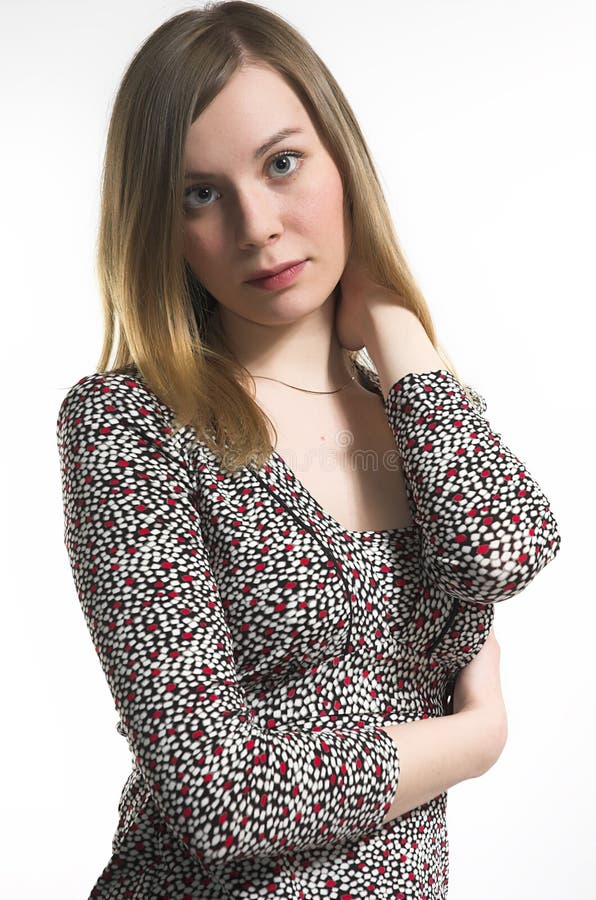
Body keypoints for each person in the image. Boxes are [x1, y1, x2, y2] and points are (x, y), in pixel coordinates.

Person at [55, 2, 562, 897]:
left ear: (342, 162)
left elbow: (505, 553)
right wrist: (472, 741)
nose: (258, 226)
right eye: (199, 194)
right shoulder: (130, 424)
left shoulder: (426, 414)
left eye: (282, 163)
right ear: (161, 226)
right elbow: (220, 795)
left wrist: (396, 328)